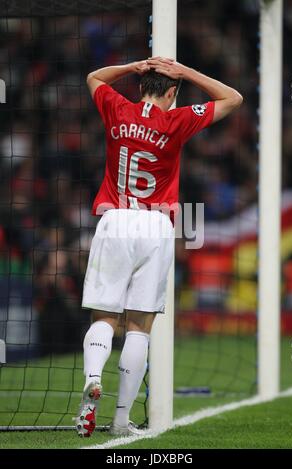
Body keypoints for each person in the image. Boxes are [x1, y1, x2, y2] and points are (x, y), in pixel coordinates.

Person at [75, 57, 243, 437]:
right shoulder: (178, 120)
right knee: (139, 326)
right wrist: (187, 73)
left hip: (115, 219)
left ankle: (92, 381)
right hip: (155, 226)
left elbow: (94, 76)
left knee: (103, 318)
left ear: (139, 88)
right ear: (172, 92)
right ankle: (120, 420)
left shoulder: (117, 108)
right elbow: (233, 98)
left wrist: (134, 65)